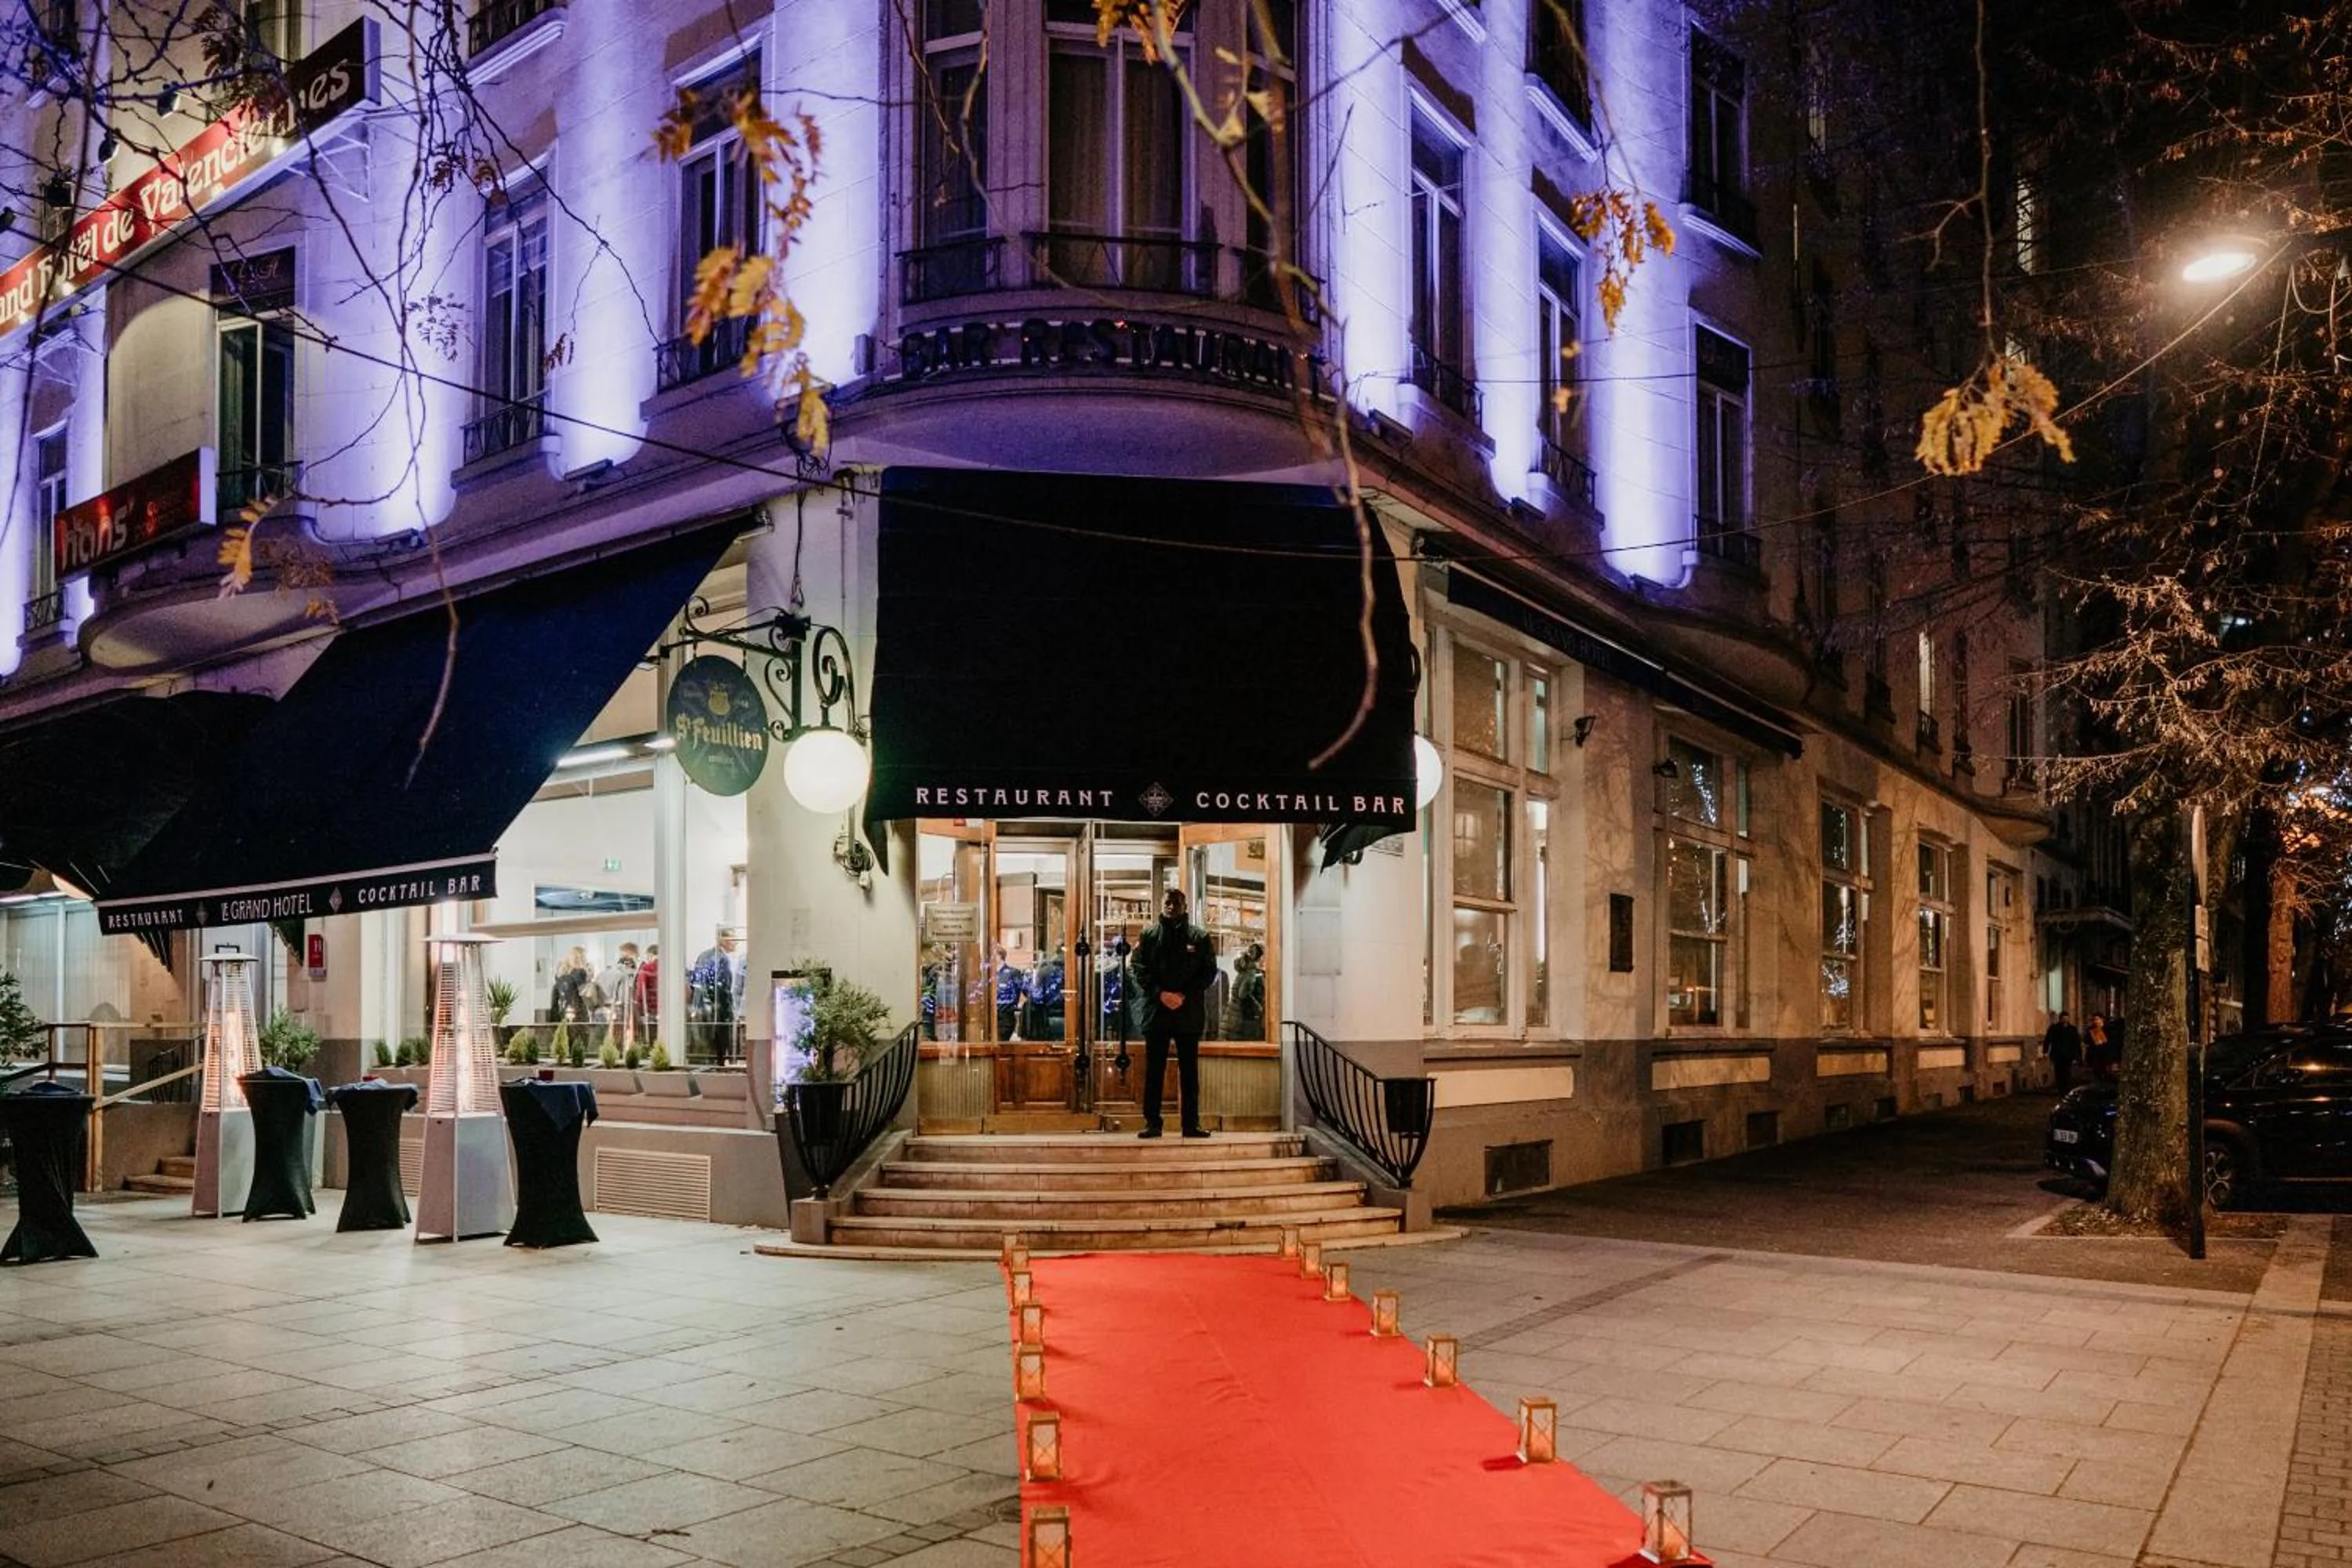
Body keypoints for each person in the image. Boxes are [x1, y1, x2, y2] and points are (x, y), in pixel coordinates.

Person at [1130, 887, 1218, 1138]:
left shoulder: (1199, 937)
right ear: (1161, 904)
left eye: (1177, 903)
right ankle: (1152, 1123)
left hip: (1187, 1013)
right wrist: (1161, 994)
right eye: (1168, 902)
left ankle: (1191, 1125)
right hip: (1156, 1012)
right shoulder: (1148, 935)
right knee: (1154, 1071)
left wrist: (1183, 995)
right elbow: (1138, 968)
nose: (1172, 907)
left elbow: (1208, 973)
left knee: (1189, 1072)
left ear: (1185, 906)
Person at [688, 928, 744, 1062]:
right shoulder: (722, 959)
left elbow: (695, 982)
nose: (736, 943)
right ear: (722, 940)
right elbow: (723, 989)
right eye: (733, 940)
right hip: (717, 1010)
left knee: (706, 1046)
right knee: (719, 1047)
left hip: (701, 1008)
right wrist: (730, 1012)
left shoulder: (703, 955)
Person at [596, 944, 641, 1040]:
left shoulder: (602, 973)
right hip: (616, 1016)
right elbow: (624, 999)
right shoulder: (623, 975)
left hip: (599, 1014)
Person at [549, 946, 593, 1024]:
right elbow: (586, 995)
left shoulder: (560, 977)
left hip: (562, 1013)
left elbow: (555, 1001)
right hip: (578, 1014)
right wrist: (589, 976)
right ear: (581, 958)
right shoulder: (580, 973)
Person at [1231, 943, 1267, 1037]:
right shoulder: (1252, 972)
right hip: (1248, 1017)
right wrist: (1259, 1008)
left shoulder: (1245, 970)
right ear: (1260, 957)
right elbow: (1243, 993)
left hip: (1237, 1017)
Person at [2043, 1010, 2080, 1092]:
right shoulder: (2054, 1028)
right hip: (2057, 1054)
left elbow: (2076, 1043)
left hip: (2069, 1055)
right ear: (2060, 1019)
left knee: (2067, 1072)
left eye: (2067, 1018)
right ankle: (2060, 1088)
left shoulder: (2072, 1029)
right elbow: (2047, 1040)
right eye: (2063, 1018)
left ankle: (2066, 1089)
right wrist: (2045, 1051)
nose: (2065, 1020)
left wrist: (2077, 1056)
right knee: (2058, 1072)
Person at [633, 944, 661, 1043]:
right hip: (666, 1011)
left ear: (650, 955)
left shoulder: (646, 968)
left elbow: (640, 991)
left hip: (650, 1010)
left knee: (651, 1038)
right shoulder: (669, 967)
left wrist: (638, 1007)